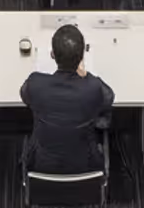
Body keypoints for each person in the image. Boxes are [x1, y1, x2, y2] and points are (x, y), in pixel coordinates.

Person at [20, 25, 114, 174]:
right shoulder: (93, 87)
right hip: (86, 169)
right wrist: (85, 74)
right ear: (82, 56)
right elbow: (109, 97)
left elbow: (25, 96)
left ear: (52, 55)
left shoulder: (35, 83)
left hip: (41, 167)